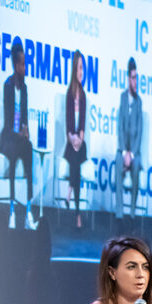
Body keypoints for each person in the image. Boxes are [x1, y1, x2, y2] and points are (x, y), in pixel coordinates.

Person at [0, 37, 37, 230]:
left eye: (25, 64)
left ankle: (29, 210)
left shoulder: (25, 88)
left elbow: (24, 117)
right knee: (13, 154)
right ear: (15, 65)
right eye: (22, 64)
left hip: (20, 138)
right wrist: (18, 132)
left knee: (28, 149)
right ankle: (12, 210)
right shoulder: (7, 86)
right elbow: (7, 120)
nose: (24, 68)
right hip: (7, 137)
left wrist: (26, 130)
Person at [63, 49, 88, 228]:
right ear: (74, 69)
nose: (81, 72)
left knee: (77, 157)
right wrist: (73, 139)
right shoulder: (69, 94)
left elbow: (83, 126)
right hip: (71, 141)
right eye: (79, 68)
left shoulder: (84, 95)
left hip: (80, 143)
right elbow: (68, 123)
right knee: (76, 164)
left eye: (83, 68)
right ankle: (78, 215)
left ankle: (70, 191)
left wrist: (79, 139)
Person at [116, 57, 143, 218]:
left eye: (136, 78)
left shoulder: (139, 102)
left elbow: (140, 132)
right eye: (133, 78)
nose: (135, 82)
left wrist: (131, 155)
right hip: (123, 149)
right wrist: (125, 152)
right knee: (118, 162)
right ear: (128, 79)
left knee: (137, 166)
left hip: (134, 152)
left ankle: (132, 214)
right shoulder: (122, 98)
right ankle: (119, 215)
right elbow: (120, 127)